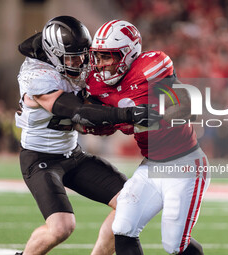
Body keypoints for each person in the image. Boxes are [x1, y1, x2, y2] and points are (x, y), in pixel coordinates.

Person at [14, 16, 160, 255]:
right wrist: (129, 113)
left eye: (83, 55)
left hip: (73, 155)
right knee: (61, 227)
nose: (80, 62)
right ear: (52, 54)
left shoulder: (80, 61)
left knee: (130, 203)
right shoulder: (36, 74)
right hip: (40, 158)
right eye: (72, 57)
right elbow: (77, 111)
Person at [85, 20, 210, 255]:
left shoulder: (151, 68)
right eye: (97, 57)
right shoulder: (96, 83)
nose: (100, 65)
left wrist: (149, 116)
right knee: (122, 226)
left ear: (127, 54)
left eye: (107, 57)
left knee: (174, 244)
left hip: (183, 164)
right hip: (150, 166)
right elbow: (98, 121)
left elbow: (186, 106)